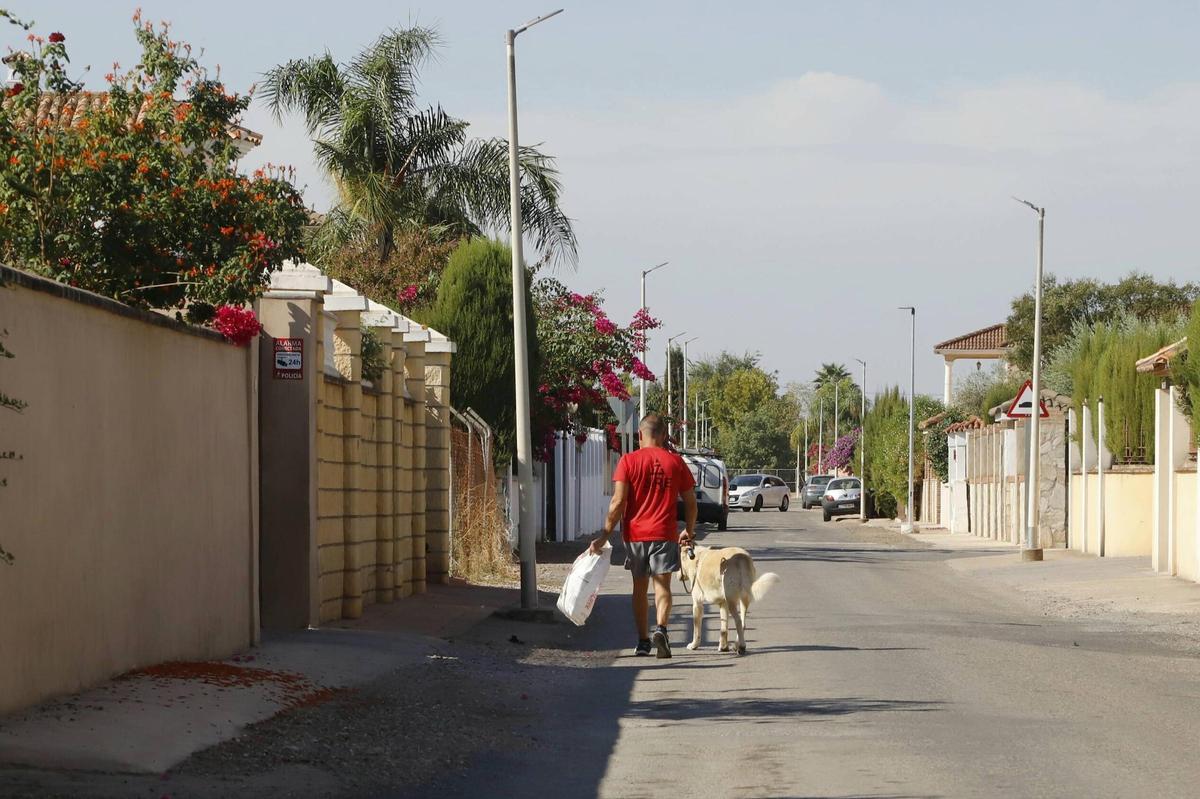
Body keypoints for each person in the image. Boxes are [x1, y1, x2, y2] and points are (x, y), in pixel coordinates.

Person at [590, 413, 696, 658]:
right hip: (664, 534)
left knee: (640, 588)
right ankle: (661, 629)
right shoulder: (676, 462)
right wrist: (688, 531)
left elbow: (617, 502)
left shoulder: (628, 461)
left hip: (636, 535)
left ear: (640, 435)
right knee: (663, 586)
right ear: (664, 436)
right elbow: (691, 502)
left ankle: (643, 641)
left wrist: (604, 536)